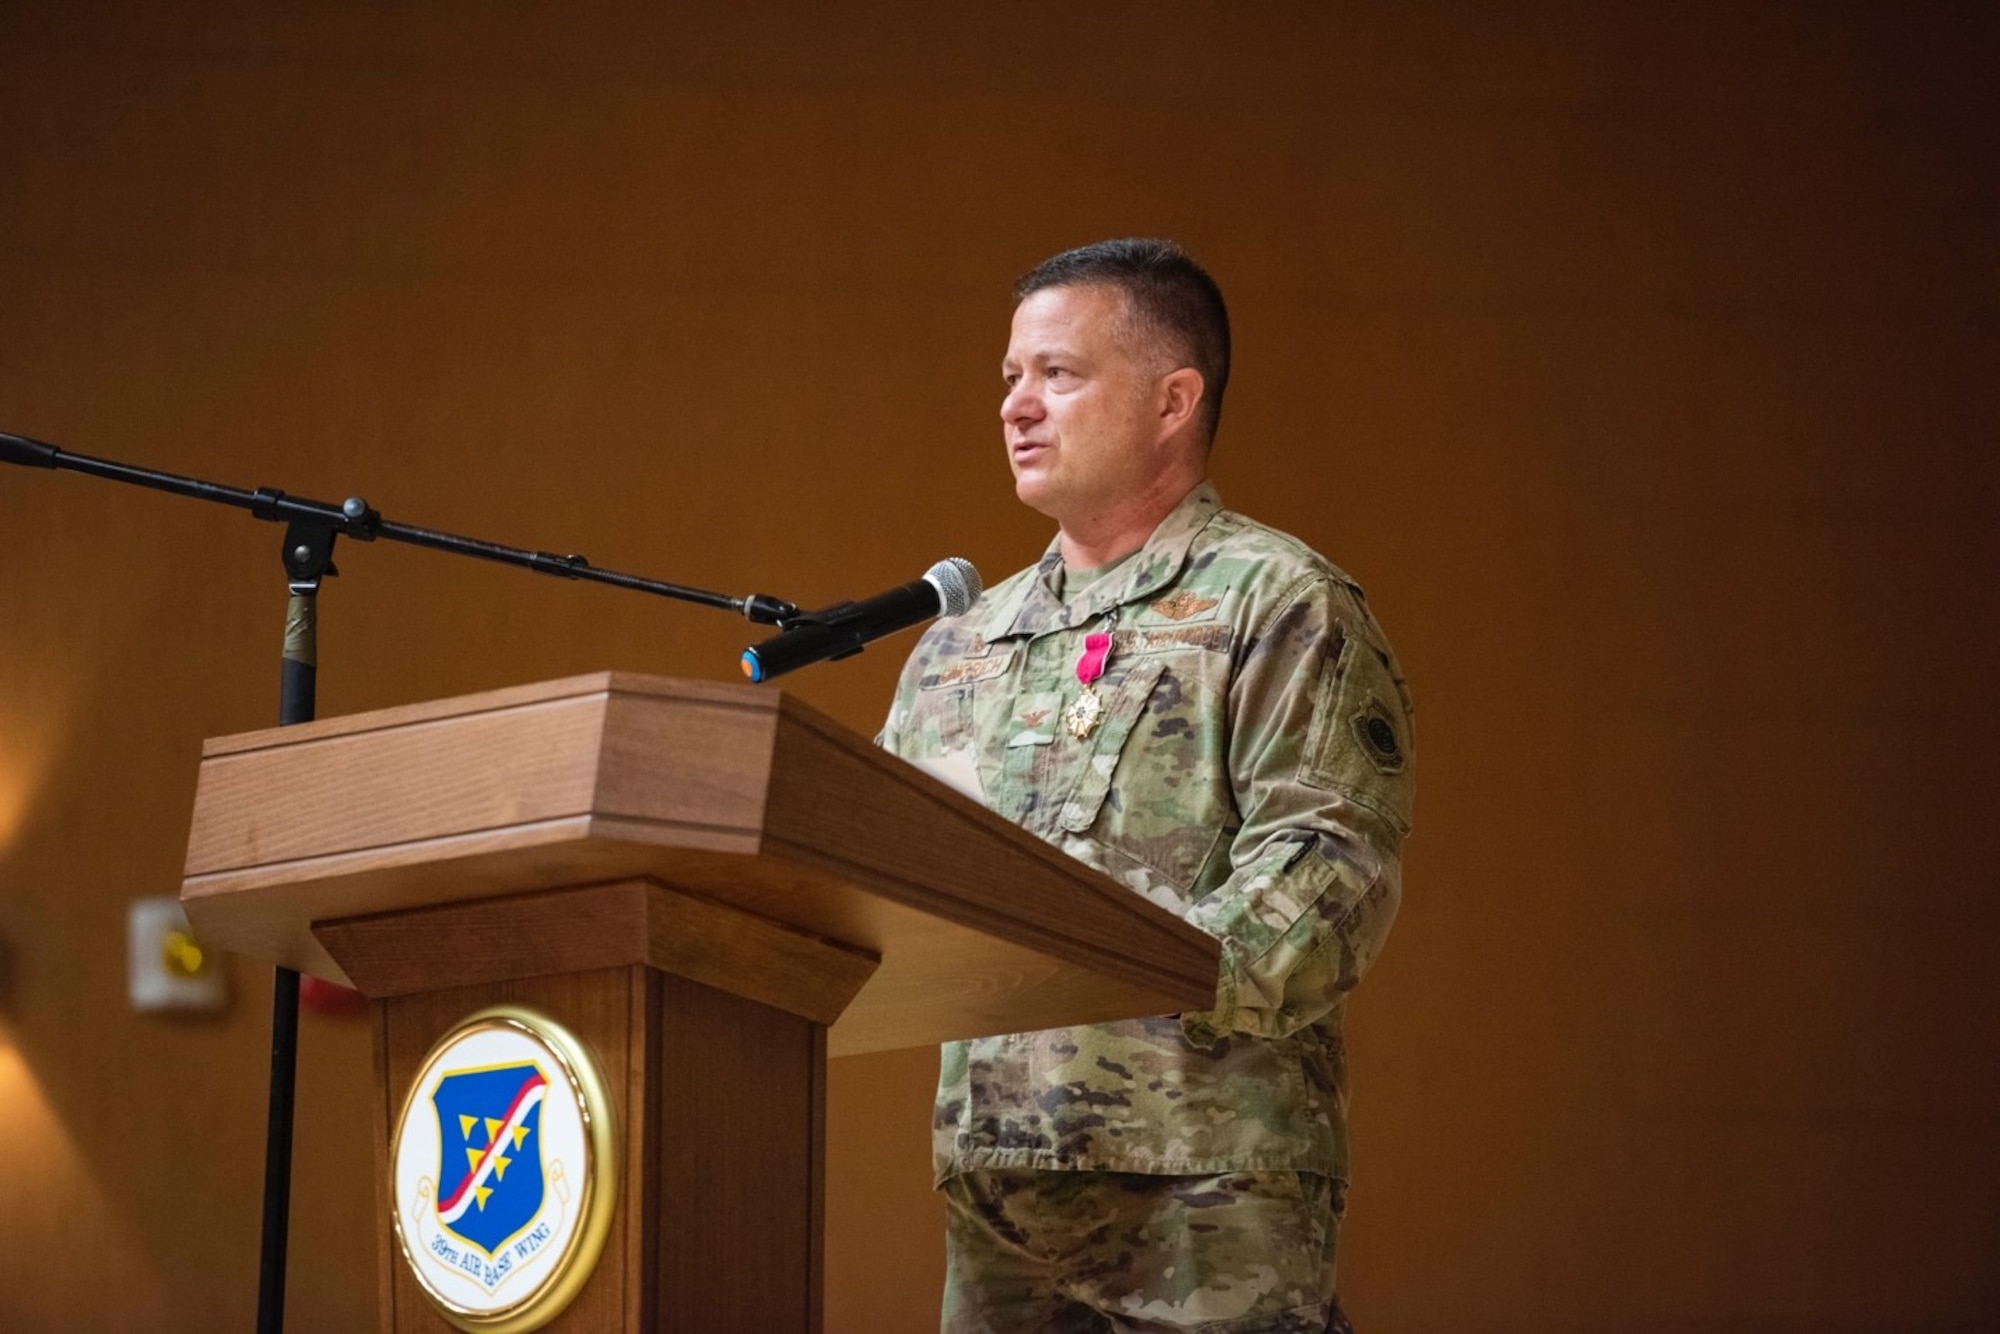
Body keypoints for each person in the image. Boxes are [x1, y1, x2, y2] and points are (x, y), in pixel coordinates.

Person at [878, 238, 1414, 1333]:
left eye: (1057, 374)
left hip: (1204, 1183)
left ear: (1174, 399)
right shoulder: (959, 649)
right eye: (1009, 378)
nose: (1017, 406)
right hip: (996, 1195)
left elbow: (1325, 883)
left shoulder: (1276, 601)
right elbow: (872, 870)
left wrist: (1106, 962)